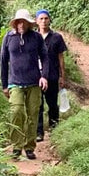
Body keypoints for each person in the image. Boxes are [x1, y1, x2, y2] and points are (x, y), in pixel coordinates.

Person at [0, 8, 47, 160]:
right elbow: (3, 62)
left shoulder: (36, 38)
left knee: (33, 115)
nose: (21, 24)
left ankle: (29, 147)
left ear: (28, 23)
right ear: (15, 23)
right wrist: (4, 85)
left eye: (24, 22)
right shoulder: (8, 38)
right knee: (16, 112)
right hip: (15, 83)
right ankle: (16, 146)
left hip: (34, 82)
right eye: (18, 22)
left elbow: (45, 57)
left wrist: (44, 76)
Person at [35, 9, 67, 142]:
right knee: (38, 105)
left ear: (49, 20)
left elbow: (61, 58)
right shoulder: (33, 37)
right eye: (41, 19)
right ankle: (39, 132)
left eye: (46, 18)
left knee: (52, 104)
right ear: (36, 21)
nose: (43, 21)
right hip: (36, 76)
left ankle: (54, 129)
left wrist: (62, 76)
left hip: (53, 76)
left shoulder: (56, 37)